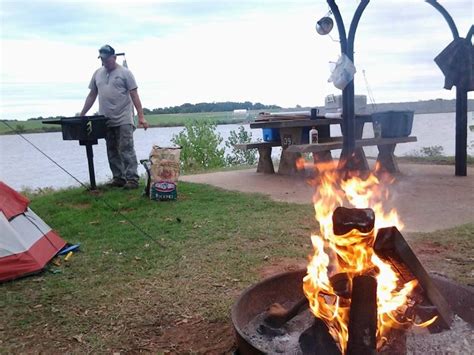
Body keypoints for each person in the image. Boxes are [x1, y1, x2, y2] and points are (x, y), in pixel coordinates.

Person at [80, 44, 149, 189]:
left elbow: (134, 95)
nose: (104, 62)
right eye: (102, 59)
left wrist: (141, 116)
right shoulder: (97, 73)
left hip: (124, 117)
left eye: (106, 59)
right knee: (111, 149)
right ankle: (118, 178)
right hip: (105, 119)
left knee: (126, 148)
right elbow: (92, 95)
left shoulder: (125, 73)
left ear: (114, 57)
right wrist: (82, 114)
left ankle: (132, 179)